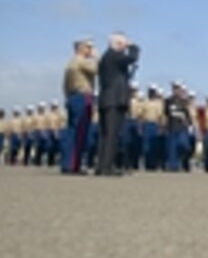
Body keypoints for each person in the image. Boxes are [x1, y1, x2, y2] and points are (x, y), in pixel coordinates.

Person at [96, 33, 140, 177]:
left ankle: (102, 166)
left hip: (107, 100)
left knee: (106, 135)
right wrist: (133, 47)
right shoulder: (113, 56)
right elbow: (132, 58)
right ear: (118, 44)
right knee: (111, 135)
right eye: (123, 44)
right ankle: (106, 167)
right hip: (114, 100)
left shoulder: (107, 57)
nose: (124, 47)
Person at [61, 37, 97, 175]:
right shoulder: (81, 61)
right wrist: (95, 57)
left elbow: (64, 85)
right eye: (88, 47)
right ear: (81, 48)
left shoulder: (70, 63)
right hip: (83, 96)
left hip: (72, 96)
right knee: (80, 132)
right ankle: (74, 165)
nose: (91, 50)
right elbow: (96, 69)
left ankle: (67, 163)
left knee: (71, 131)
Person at [164, 83, 192, 172]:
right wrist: (164, 126)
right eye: (175, 88)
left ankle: (181, 160)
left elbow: (187, 114)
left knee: (184, 145)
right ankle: (173, 166)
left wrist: (189, 125)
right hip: (172, 126)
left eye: (178, 88)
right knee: (172, 148)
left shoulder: (183, 102)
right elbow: (165, 114)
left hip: (182, 127)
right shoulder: (168, 101)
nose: (176, 90)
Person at [141, 86, 165, 171]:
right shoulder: (145, 102)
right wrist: (141, 127)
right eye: (150, 91)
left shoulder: (158, 103)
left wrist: (161, 127)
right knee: (146, 146)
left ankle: (153, 165)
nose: (151, 93)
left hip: (155, 125)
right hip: (147, 124)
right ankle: (147, 164)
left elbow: (160, 116)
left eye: (153, 91)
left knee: (154, 146)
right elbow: (142, 115)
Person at [46, 101, 65, 167]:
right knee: (50, 147)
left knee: (58, 147)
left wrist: (58, 131)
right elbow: (46, 124)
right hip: (50, 131)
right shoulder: (48, 114)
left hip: (58, 131)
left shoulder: (60, 114)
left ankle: (57, 161)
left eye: (55, 106)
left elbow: (62, 123)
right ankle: (50, 162)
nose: (54, 107)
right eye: (53, 106)